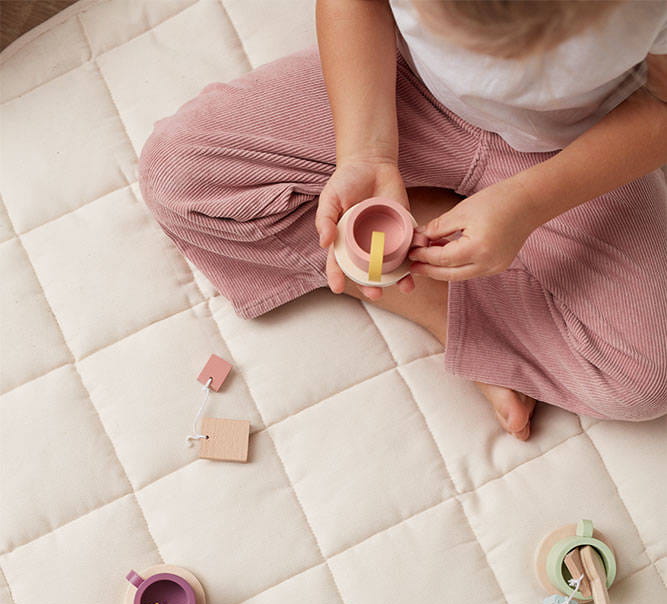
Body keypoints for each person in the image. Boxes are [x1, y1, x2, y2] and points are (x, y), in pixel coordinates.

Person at [139, 0, 667, 440]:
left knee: (644, 379)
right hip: (405, 90)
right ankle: (446, 304)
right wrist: (365, 152)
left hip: (581, 145)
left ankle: (431, 274)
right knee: (176, 173)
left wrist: (528, 204)